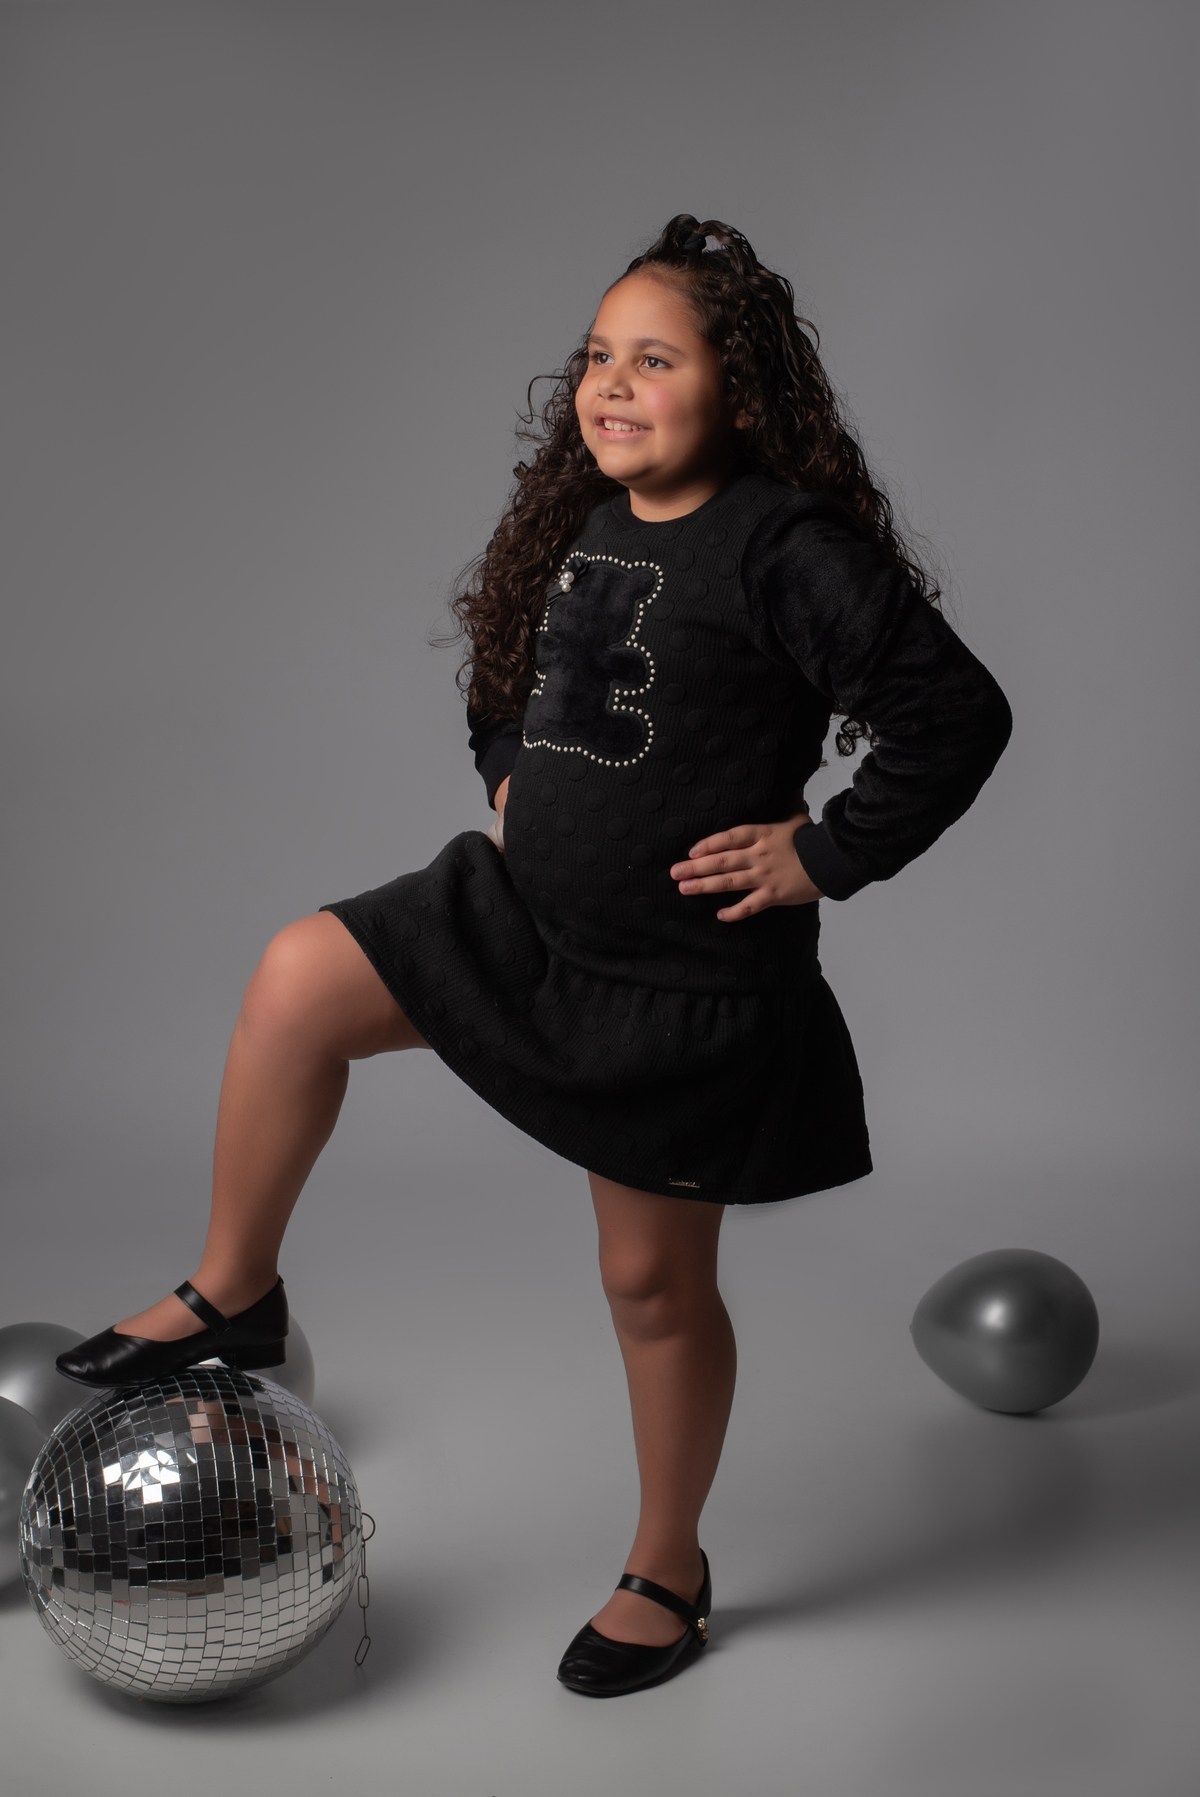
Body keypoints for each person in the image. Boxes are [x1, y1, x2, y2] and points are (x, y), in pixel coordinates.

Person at [58, 215, 1012, 1697]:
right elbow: (504, 671)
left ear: (742, 391)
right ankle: (235, 1286)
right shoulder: (579, 516)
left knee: (650, 1287)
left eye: (657, 359)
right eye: (598, 356)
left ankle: (669, 1564)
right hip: (524, 924)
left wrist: (823, 853)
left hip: (674, 983)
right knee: (298, 979)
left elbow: (956, 715)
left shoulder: (787, 547)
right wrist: (509, 764)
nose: (613, 384)